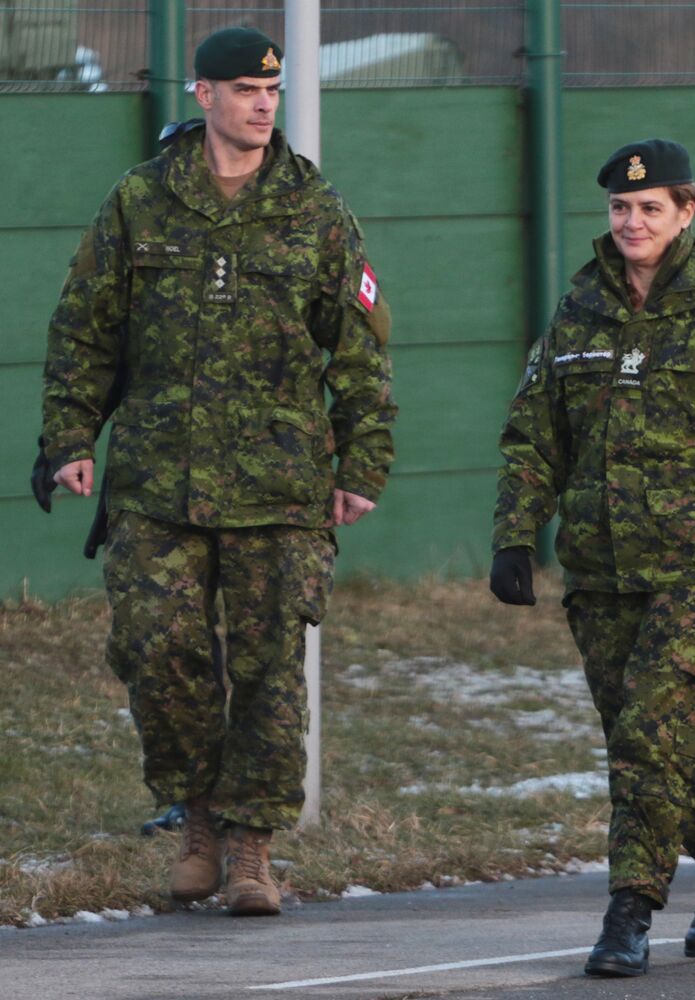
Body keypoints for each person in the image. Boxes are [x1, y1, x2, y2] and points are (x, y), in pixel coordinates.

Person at [40, 27, 396, 916]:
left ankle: (250, 850)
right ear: (203, 95)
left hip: (280, 485)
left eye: (270, 90)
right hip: (158, 481)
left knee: (273, 671)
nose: (262, 104)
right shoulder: (140, 202)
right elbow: (85, 327)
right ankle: (196, 819)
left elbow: (359, 351)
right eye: (243, 89)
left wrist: (363, 463)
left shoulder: (315, 209)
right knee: (158, 654)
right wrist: (70, 438)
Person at [490, 138, 695, 977]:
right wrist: (515, 535)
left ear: (686, 213)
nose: (632, 222)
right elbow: (533, 437)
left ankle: (629, 911)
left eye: (649, 208)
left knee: (644, 742)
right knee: (649, 748)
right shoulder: (577, 315)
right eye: (620, 209)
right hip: (601, 575)